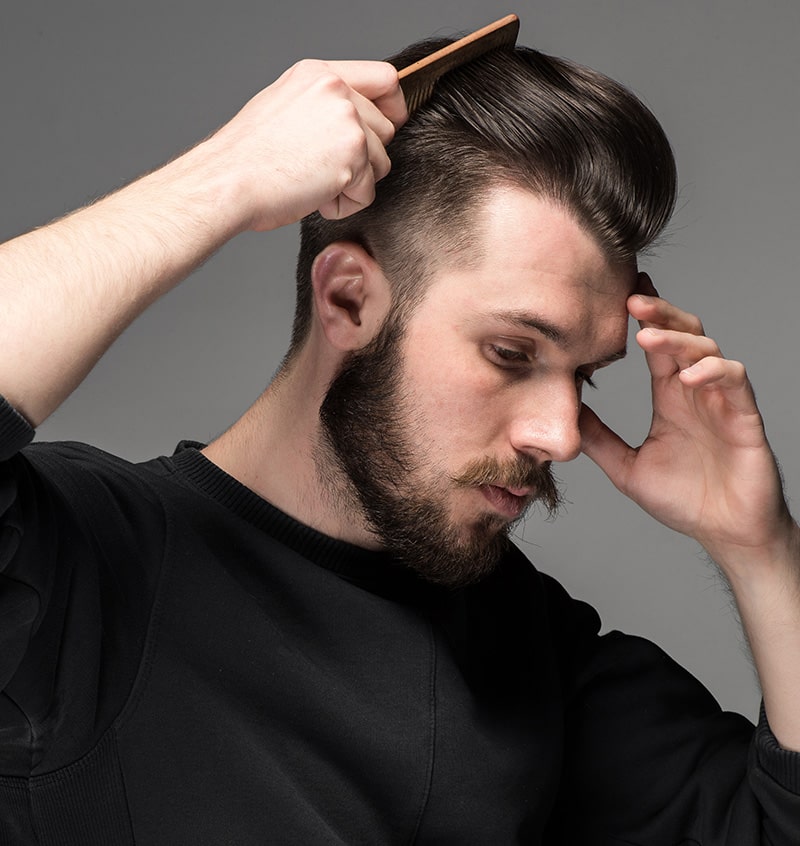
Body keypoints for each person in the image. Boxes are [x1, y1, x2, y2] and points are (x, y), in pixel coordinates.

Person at [0, 32, 798, 846]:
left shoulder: (522, 647)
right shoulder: (82, 569)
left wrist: (760, 548)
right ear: (348, 301)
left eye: (584, 374)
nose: (560, 435)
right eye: (511, 353)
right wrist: (224, 177)